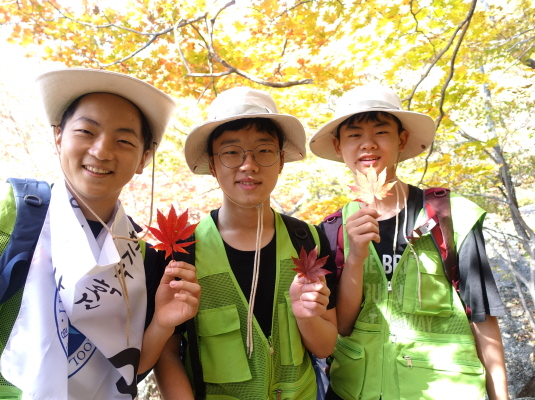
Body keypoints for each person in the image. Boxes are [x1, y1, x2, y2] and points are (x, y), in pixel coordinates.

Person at [0, 68, 200, 400]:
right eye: (86, 131)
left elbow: (125, 372)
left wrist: (162, 324)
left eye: (124, 141)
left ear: (144, 158)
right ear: (59, 136)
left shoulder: (142, 260)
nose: (101, 151)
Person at [309, 85, 508, 400]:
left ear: (402, 140)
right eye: (354, 135)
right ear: (338, 146)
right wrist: (356, 257)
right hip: (356, 391)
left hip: (447, 390)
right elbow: (342, 327)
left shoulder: (449, 215)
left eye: (381, 132)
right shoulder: (331, 231)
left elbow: (482, 316)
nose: (368, 144)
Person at [153, 86, 338, 400]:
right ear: (212, 164)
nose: (248, 165)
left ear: (281, 160)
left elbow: (325, 346)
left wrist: (306, 316)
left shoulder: (309, 241)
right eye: (231, 152)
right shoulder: (182, 251)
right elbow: (167, 352)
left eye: (264, 150)